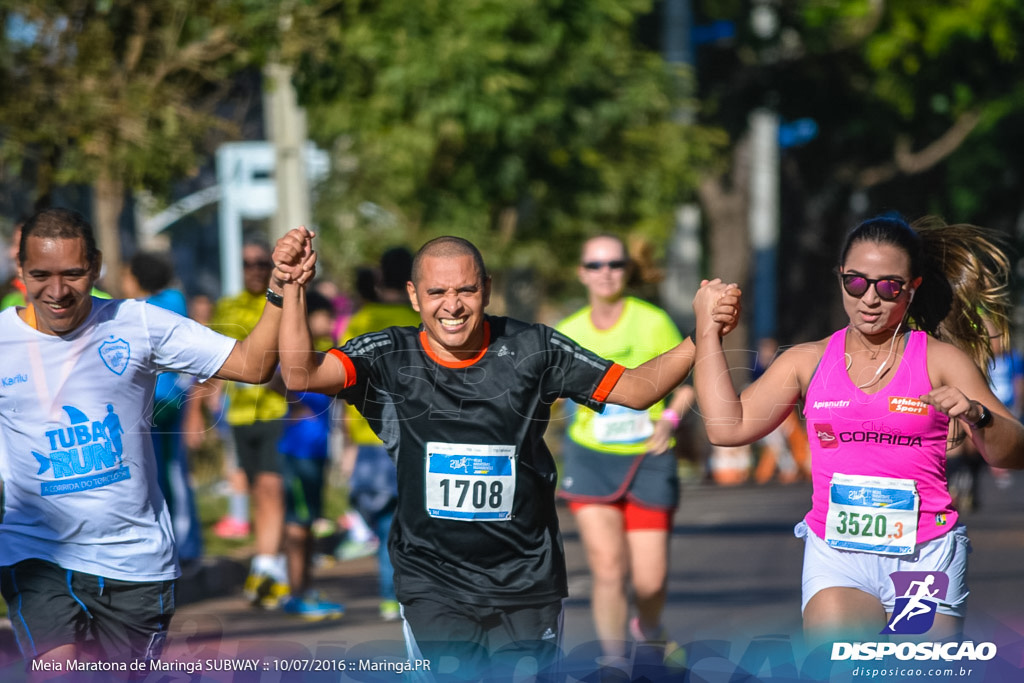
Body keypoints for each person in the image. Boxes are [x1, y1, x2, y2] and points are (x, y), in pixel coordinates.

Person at [275, 234, 740, 678]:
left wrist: (702, 333)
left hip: (526, 583)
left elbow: (636, 390)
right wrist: (294, 289)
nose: (452, 305)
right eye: (437, 291)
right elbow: (300, 374)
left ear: (488, 290)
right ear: (415, 296)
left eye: (466, 290)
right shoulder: (388, 355)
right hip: (432, 582)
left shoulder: (533, 348)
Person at [691, 214, 1024, 648]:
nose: (870, 298)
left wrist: (979, 416)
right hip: (840, 557)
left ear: (912, 287)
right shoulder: (806, 361)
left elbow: (1011, 453)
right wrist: (707, 330)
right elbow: (725, 426)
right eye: (856, 282)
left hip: (923, 555)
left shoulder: (940, 360)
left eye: (889, 286)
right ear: (840, 278)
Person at [0, 208, 314, 665]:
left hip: (136, 563)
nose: (57, 291)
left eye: (72, 274)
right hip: (38, 553)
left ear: (96, 266)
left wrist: (280, 287)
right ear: (20, 271)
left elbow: (252, 364)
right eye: (40, 275)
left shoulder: (138, 323)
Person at [555, 234, 693, 659]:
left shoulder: (652, 322)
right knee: (609, 570)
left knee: (650, 580)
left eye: (614, 264)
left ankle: (648, 625)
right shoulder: (567, 331)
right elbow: (546, 394)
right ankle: (614, 661)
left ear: (627, 270)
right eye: (595, 265)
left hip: (648, 458)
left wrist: (668, 421)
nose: (605, 273)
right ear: (582, 273)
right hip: (590, 457)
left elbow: (685, 386)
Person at [339, 247, 421, 622]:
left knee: (387, 523)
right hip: (417, 440)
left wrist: (347, 443)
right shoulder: (421, 321)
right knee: (418, 521)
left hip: (370, 441)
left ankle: (392, 596)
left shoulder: (362, 320)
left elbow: (343, 383)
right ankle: (411, 593)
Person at [210, 235, 292, 608]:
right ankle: (269, 566)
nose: (256, 270)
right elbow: (212, 363)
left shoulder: (284, 303)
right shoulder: (226, 306)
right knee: (258, 491)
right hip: (241, 415)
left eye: (263, 263)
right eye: (249, 264)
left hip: (276, 411)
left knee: (272, 490)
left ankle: (266, 569)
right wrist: (203, 410)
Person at [121, 250, 204, 569]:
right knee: (172, 473)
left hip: (158, 402)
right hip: (170, 400)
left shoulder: (140, 310)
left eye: (128, 275)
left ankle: (181, 546)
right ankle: (185, 543)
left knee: (160, 474)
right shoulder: (175, 301)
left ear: (139, 279)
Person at [278, 290, 345, 620]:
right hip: (300, 451)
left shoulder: (324, 356)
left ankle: (305, 588)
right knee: (299, 525)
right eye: (326, 316)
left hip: (317, 451)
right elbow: (272, 379)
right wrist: (296, 404)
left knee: (309, 523)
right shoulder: (296, 356)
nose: (331, 323)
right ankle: (297, 593)